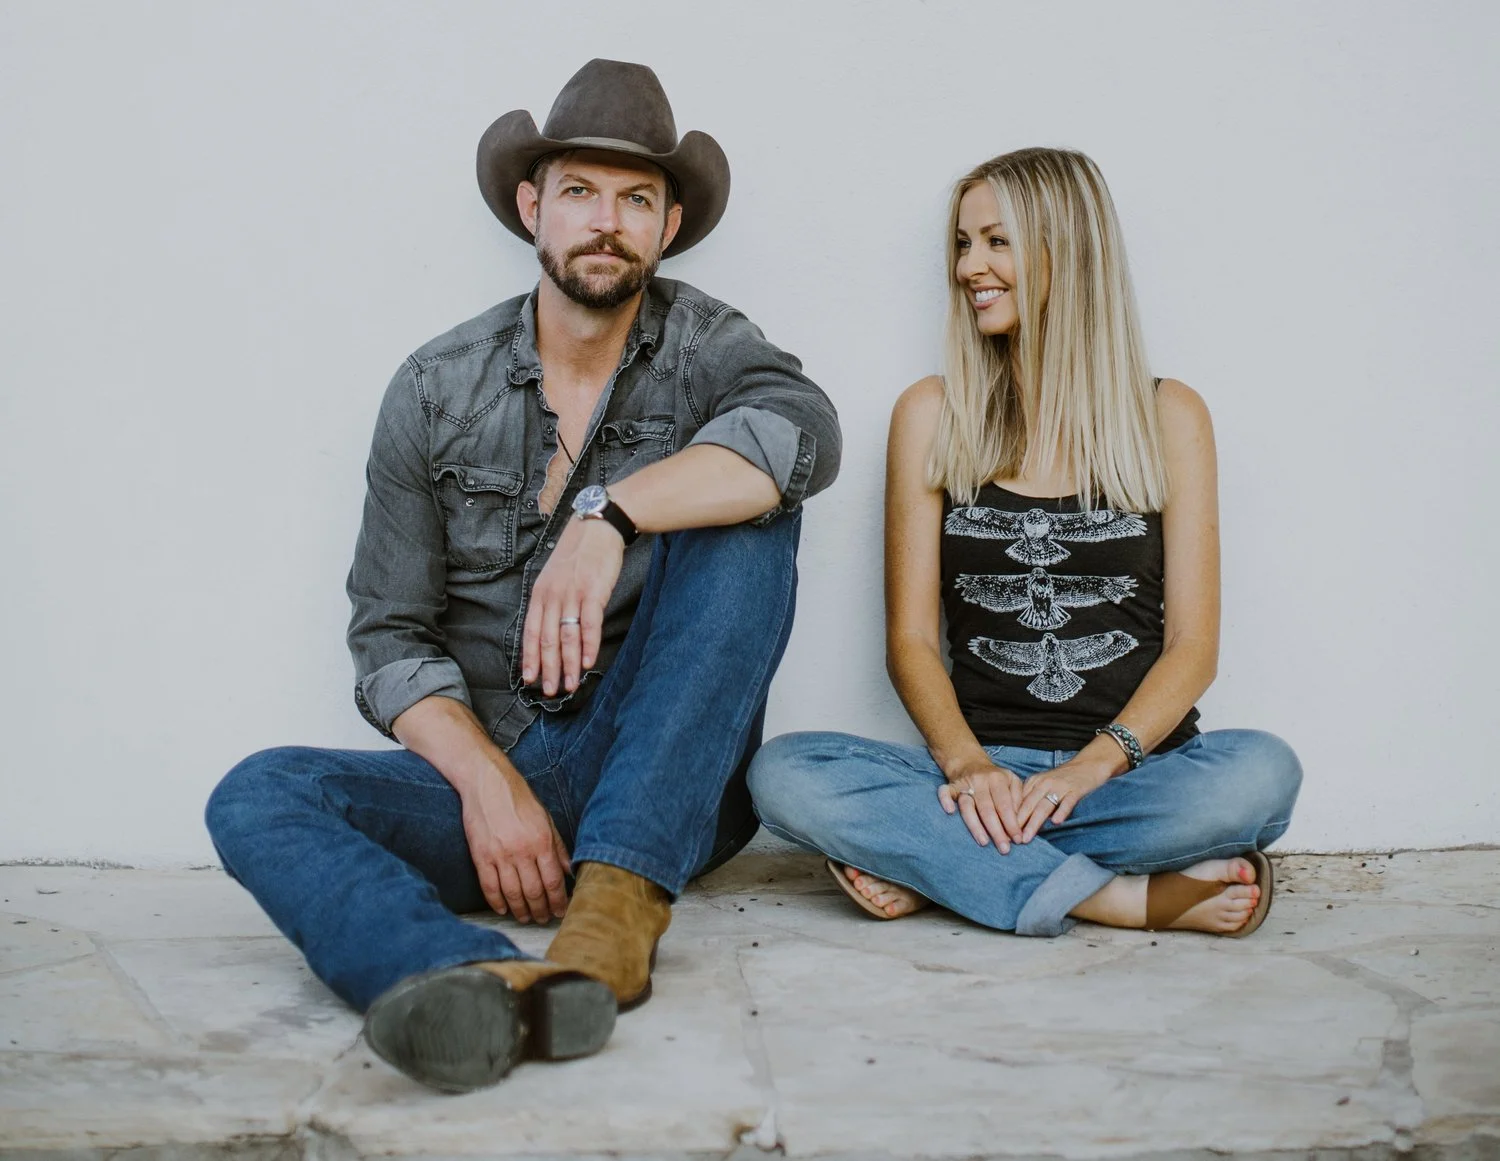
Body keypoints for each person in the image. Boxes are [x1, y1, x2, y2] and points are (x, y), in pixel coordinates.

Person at [204, 59, 840, 1093]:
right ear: (530, 205)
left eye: (637, 199)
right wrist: (488, 786)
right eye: (581, 192)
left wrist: (610, 515)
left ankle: (616, 908)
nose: (607, 220)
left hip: (663, 770)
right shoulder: (434, 385)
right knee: (259, 793)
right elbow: (389, 639)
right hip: (501, 777)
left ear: (668, 226)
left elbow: (805, 437)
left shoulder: (710, 346)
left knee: (751, 509)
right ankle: (465, 979)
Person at [748, 147, 1298, 940]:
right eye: (964, 244)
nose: (971, 265)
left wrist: (1091, 766)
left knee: (1264, 773)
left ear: (1065, 251)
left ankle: (947, 867)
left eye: (996, 241)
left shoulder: (1170, 416)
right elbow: (909, 640)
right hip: (973, 776)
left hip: (1131, 772)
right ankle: (1116, 897)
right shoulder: (932, 414)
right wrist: (970, 766)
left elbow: (1193, 647)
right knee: (785, 774)